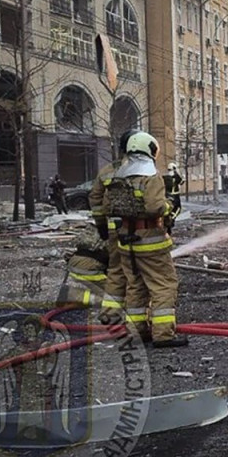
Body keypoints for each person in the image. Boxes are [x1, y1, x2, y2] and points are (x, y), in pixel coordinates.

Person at [106, 131, 186, 348]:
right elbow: (155, 207)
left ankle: (136, 331)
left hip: (126, 242)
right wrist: (170, 206)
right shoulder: (150, 177)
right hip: (151, 241)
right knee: (164, 285)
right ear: (149, 150)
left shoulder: (119, 176)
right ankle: (163, 334)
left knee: (136, 286)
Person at [89, 130, 137, 325]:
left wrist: (101, 224)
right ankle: (138, 319)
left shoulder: (107, 170)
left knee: (116, 270)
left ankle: (110, 314)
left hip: (112, 230)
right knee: (136, 273)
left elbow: (95, 198)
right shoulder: (142, 170)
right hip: (136, 230)